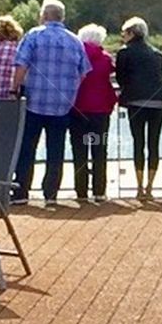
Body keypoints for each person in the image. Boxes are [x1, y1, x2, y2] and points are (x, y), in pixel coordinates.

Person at [10, 0, 90, 206]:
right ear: (62, 17)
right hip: (62, 105)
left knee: (27, 147)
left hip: (34, 102)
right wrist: (70, 90)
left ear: (44, 16)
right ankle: (51, 193)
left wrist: (14, 88)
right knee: (56, 149)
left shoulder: (34, 36)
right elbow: (83, 73)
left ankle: (21, 192)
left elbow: (21, 65)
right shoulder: (75, 41)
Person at [116, 17, 162, 200]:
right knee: (154, 143)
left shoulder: (124, 53)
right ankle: (150, 187)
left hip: (136, 102)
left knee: (138, 142)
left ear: (131, 33)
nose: (122, 36)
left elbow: (121, 79)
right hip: (159, 102)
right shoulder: (157, 54)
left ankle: (139, 187)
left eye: (124, 33)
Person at [70, 24, 117, 203]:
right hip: (100, 111)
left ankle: (81, 191)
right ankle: (99, 190)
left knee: (79, 150)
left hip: (78, 109)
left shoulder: (75, 57)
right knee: (99, 149)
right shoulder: (105, 59)